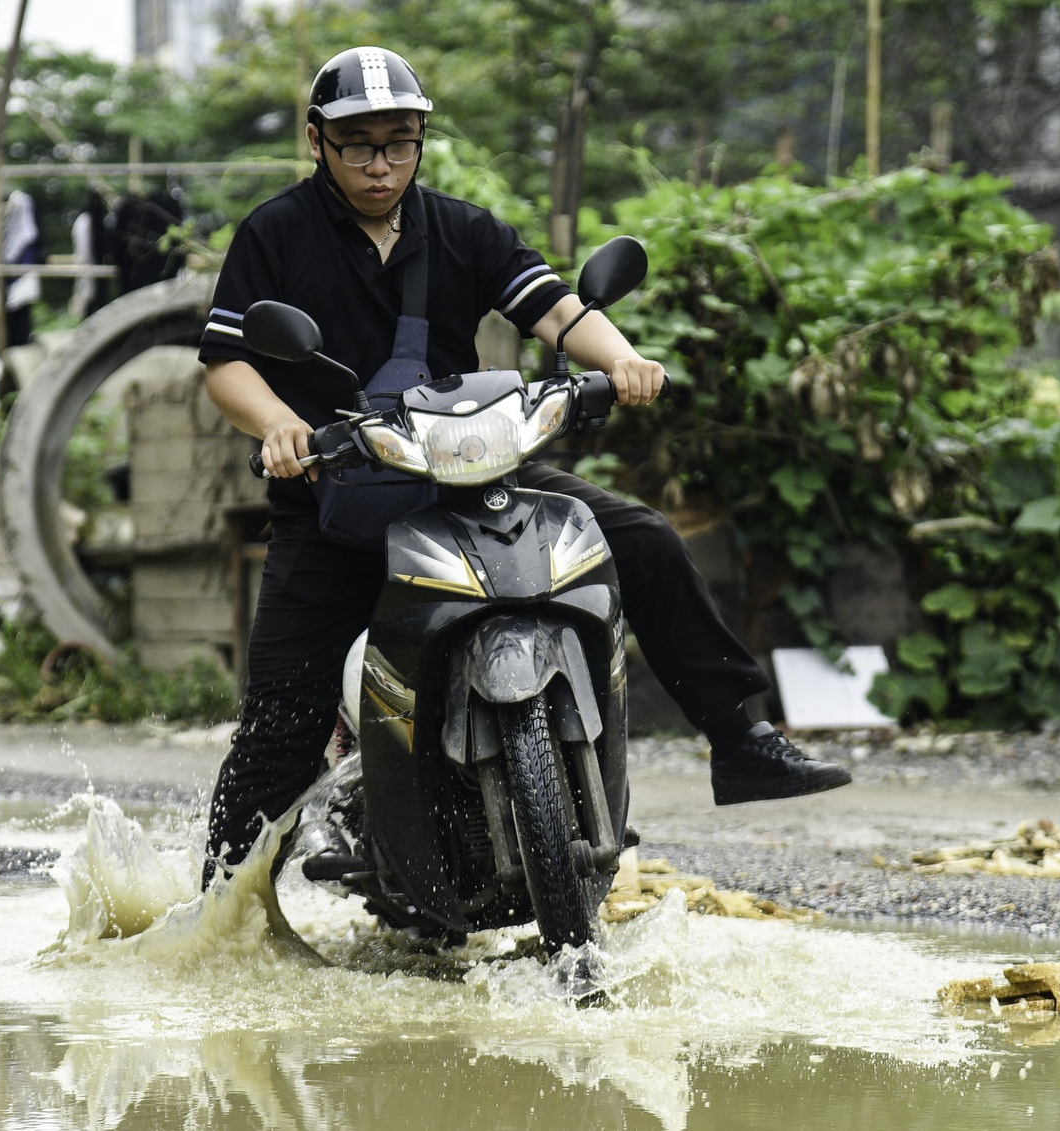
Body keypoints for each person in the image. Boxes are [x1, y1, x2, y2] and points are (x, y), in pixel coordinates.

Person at [196, 46, 851, 887]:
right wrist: (283, 426)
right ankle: (214, 911)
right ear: (316, 140)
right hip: (335, 494)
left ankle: (739, 738)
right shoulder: (276, 232)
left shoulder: (463, 228)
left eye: (399, 142)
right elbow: (227, 360)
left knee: (642, 538)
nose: (380, 164)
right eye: (358, 144)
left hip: (465, 473)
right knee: (279, 727)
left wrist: (622, 360)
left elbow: (553, 306)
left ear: (421, 139)